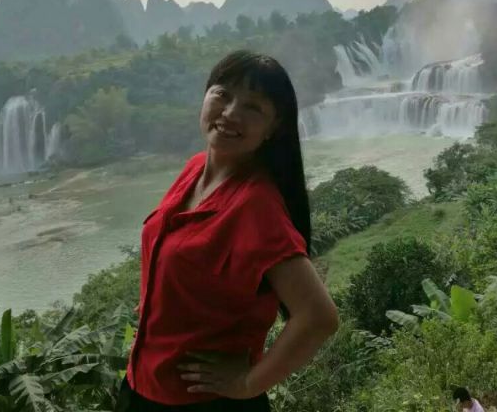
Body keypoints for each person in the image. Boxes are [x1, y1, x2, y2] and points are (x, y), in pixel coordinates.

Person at [116, 50, 339, 411]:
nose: (231, 112)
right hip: (142, 385)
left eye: (253, 107)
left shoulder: (255, 206)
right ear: (205, 95)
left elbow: (319, 317)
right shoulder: (194, 170)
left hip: (202, 403)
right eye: (223, 94)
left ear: (273, 128)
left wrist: (248, 383)